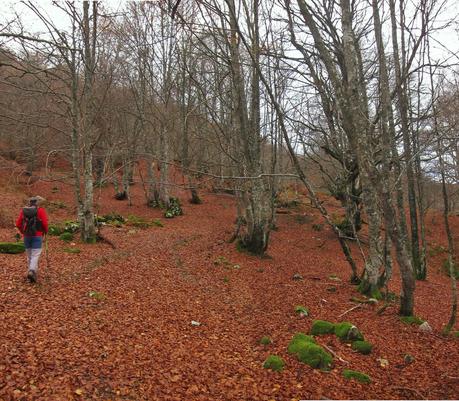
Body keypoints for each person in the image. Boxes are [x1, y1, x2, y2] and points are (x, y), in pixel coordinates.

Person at [15, 196, 49, 283]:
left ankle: (32, 273)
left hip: (27, 236)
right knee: (35, 255)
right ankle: (32, 271)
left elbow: (18, 223)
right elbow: (45, 223)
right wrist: (45, 232)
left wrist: (23, 232)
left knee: (29, 255)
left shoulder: (24, 211)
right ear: (37, 203)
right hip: (37, 235)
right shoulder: (40, 210)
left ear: (29, 203)